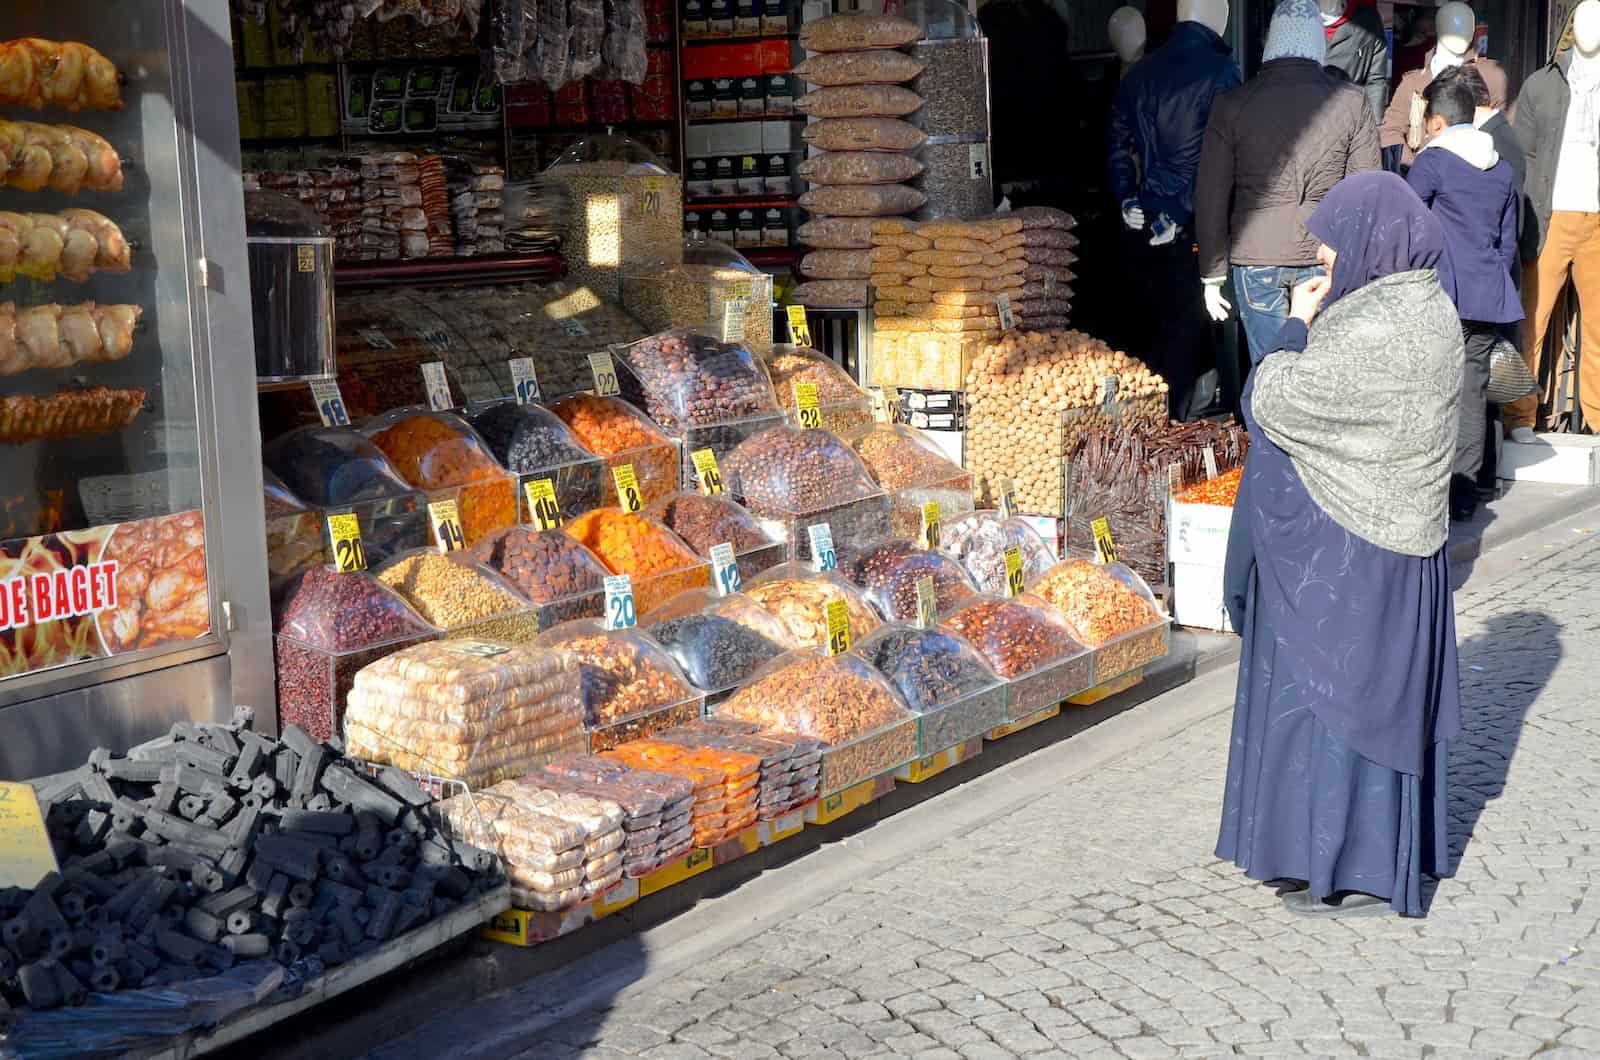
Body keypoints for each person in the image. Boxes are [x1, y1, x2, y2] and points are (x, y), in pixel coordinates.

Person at [1218, 171, 1463, 919]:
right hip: (1403, 547)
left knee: (1331, 706)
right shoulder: (1429, 309)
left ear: (1369, 241)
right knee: (1375, 705)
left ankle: (1328, 859)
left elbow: (1274, 403)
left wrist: (1293, 326)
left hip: (1348, 556)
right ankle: (1365, 858)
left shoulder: (1372, 328)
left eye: (1329, 250)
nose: (1322, 264)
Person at [1196, 0, 1380, 374]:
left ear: (1270, 43)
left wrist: (1212, 273)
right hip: (1326, 256)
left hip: (1256, 257)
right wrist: (1359, 266)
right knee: (1321, 375)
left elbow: (1211, 193)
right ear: (1318, 42)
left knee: (1271, 373)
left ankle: (1269, 434)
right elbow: (1365, 191)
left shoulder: (1233, 104)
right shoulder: (1352, 102)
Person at [1407, 75, 1521, 520]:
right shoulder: (1501, 167)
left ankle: (1432, 489)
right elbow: (1506, 244)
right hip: (1486, 295)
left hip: (1440, 294)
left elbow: (1409, 225)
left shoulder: (1432, 163)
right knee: (1472, 393)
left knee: (1432, 389)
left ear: (1437, 121)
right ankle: (1465, 496)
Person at [1320, 0, 1390, 124]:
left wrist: (1374, 127)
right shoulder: (1295, 17)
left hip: (1348, 119)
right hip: (1304, 121)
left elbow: (1376, 80)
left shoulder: (1367, 20)